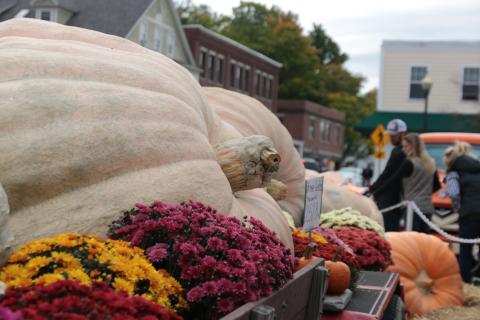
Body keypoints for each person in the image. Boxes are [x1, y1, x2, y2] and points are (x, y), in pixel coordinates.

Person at [444, 141, 480, 283]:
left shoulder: (454, 172)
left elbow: (453, 193)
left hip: (469, 215)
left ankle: (466, 284)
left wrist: (458, 209)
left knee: (465, 251)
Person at [369, 119, 407, 231]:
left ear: (403, 134)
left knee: (389, 229)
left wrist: (374, 190)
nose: (391, 138)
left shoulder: (400, 152)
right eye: (390, 135)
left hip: (393, 198)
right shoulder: (397, 150)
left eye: (394, 135)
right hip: (393, 197)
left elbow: (389, 176)